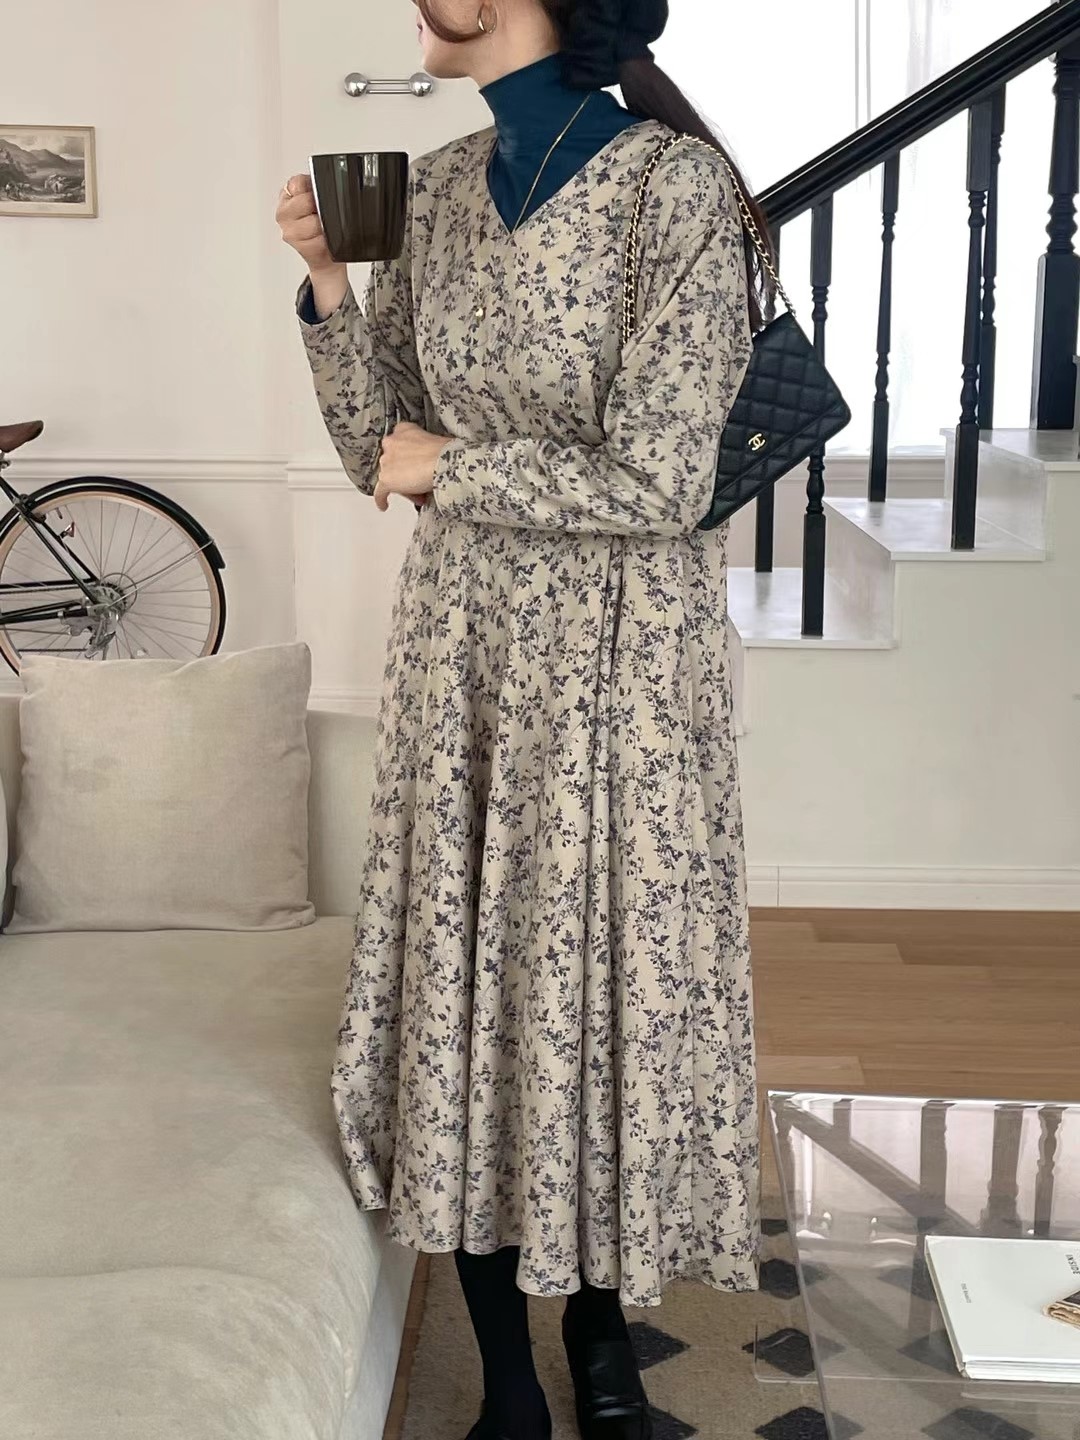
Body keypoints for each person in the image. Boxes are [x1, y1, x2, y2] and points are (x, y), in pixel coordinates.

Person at [276, 2, 771, 1436]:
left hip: (625, 666)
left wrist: (453, 467)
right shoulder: (437, 187)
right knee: (477, 986)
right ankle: (507, 1369)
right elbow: (380, 445)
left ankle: (604, 1331)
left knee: (603, 983)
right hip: (467, 653)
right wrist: (326, 287)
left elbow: (662, 481)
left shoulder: (676, 187)